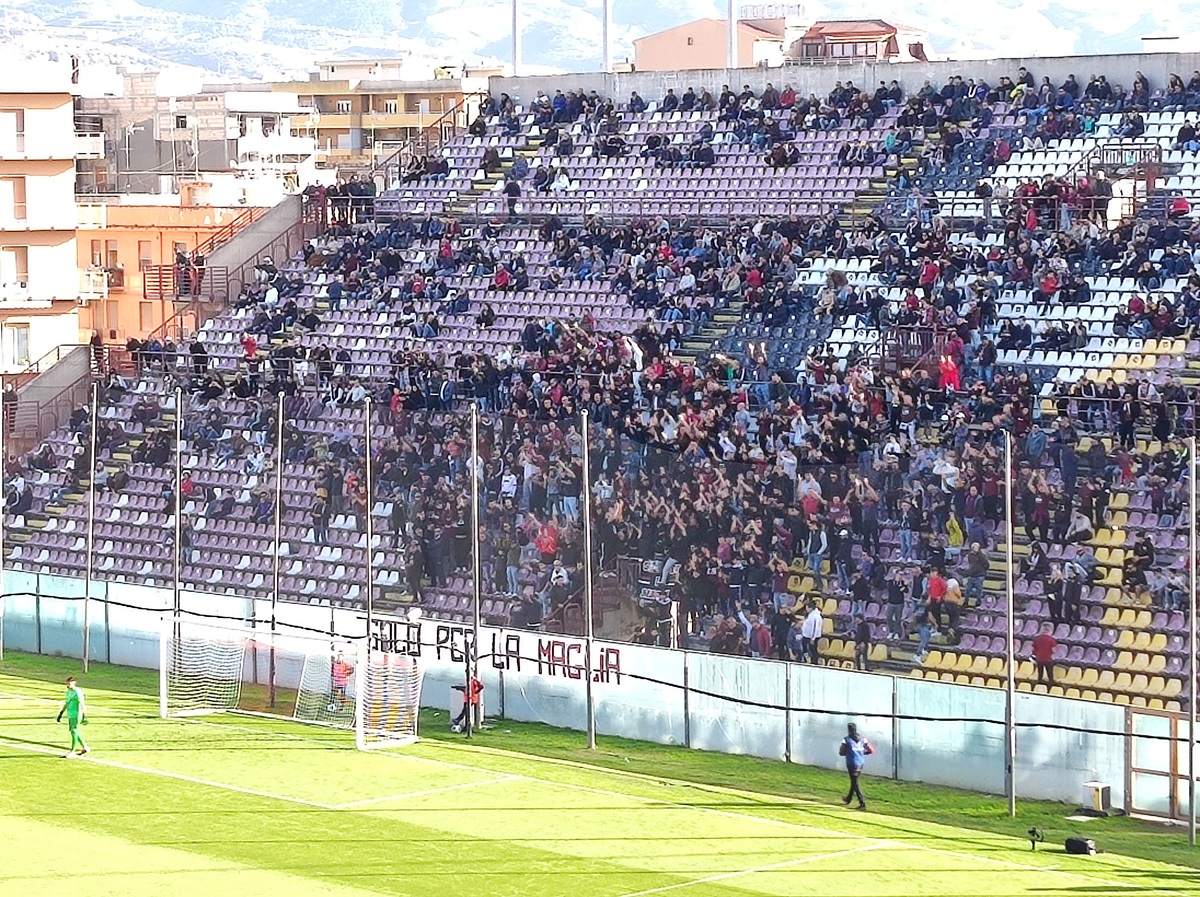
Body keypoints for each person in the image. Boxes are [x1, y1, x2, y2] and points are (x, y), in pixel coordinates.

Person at [839, 722, 872, 810]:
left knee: (855, 783)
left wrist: (848, 753)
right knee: (854, 781)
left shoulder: (846, 739)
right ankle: (848, 798)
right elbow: (871, 750)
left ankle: (862, 803)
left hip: (851, 763)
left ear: (848, 730)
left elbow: (841, 752)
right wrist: (862, 753)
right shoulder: (863, 739)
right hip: (860, 763)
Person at [56, 676, 90, 758]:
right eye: (67, 683)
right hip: (70, 714)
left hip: (77, 714)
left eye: (69, 683)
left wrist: (84, 715)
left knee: (74, 730)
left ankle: (72, 751)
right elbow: (67, 703)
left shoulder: (77, 691)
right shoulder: (68, 692)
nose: (68, 685)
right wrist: (61, 713)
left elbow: (82, 703)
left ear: (74, 683)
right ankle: (85, 747)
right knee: (74, 731)